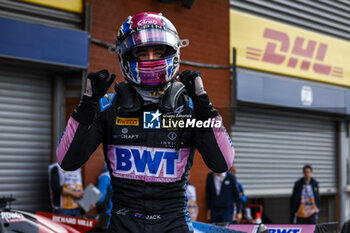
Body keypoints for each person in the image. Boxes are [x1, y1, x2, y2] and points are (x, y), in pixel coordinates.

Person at [56, 12, 234, 233]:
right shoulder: (108, 107)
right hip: (122, 224)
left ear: (174, 52)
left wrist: (204, 106)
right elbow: (67, 160)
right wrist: (87, 104)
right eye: (142, 52)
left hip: (174, 225)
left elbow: (222, 162)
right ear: (125, 56)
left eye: (158, 51)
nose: (151, 59)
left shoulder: (190, 108)